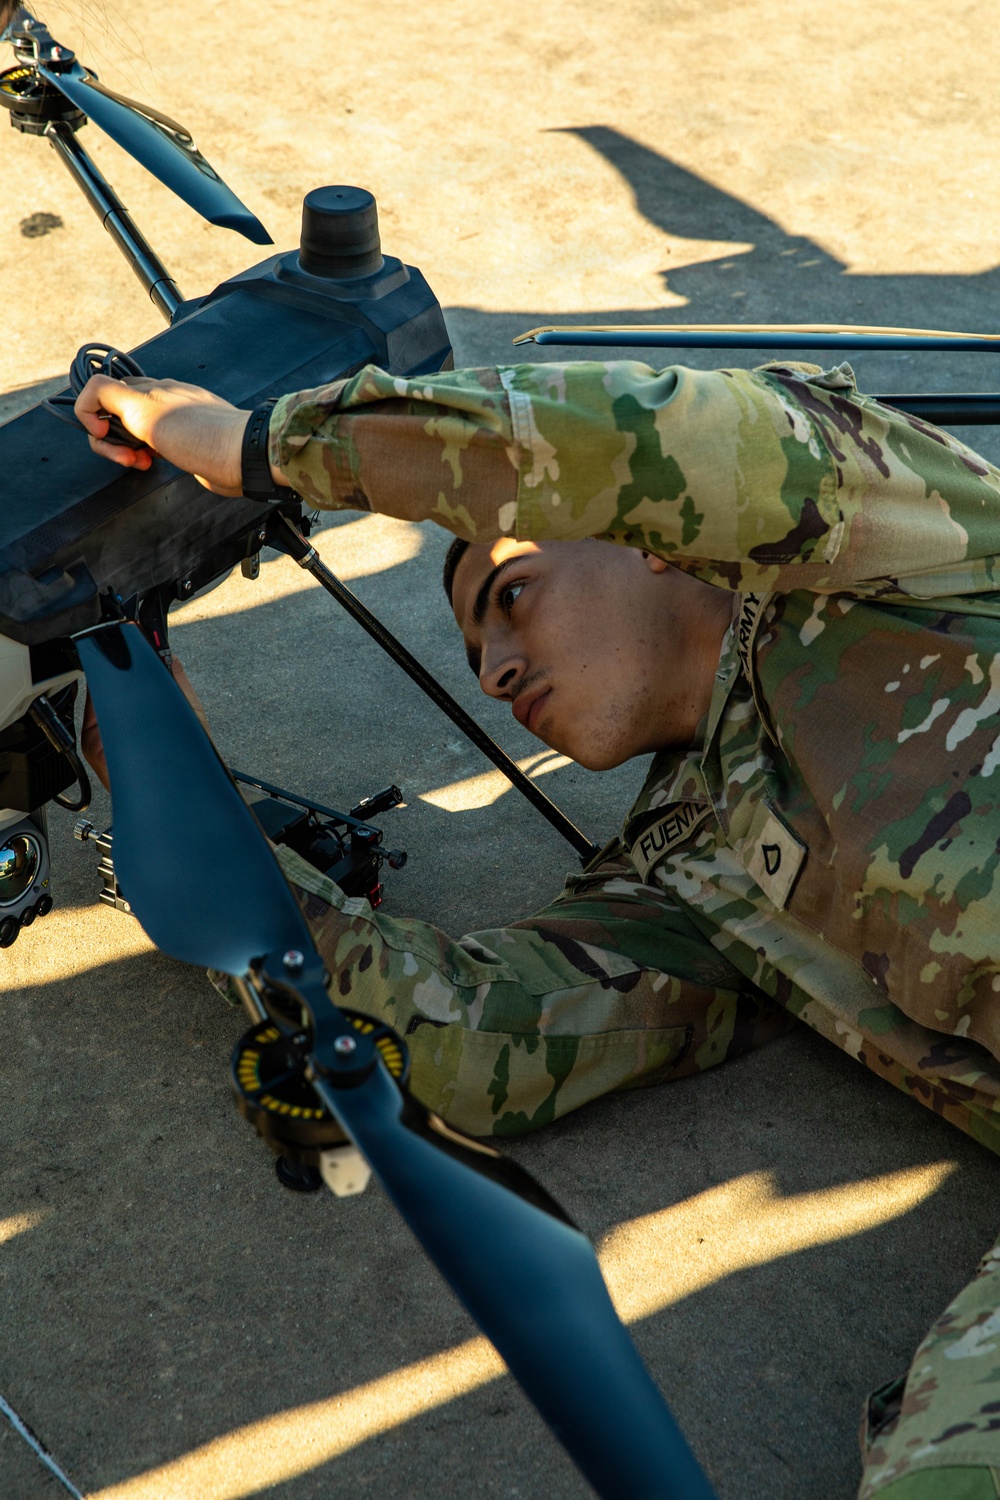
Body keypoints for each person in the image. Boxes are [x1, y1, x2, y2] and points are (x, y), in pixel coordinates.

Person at [75, 355, 1000, 1497]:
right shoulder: (696, 864)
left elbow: (659, 437)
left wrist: (249, 439)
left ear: (649, 537)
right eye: (477, 660)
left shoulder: (898, 536)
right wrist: (186, 803)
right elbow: (465, 1044)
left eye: (511, 595)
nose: (499, 668)